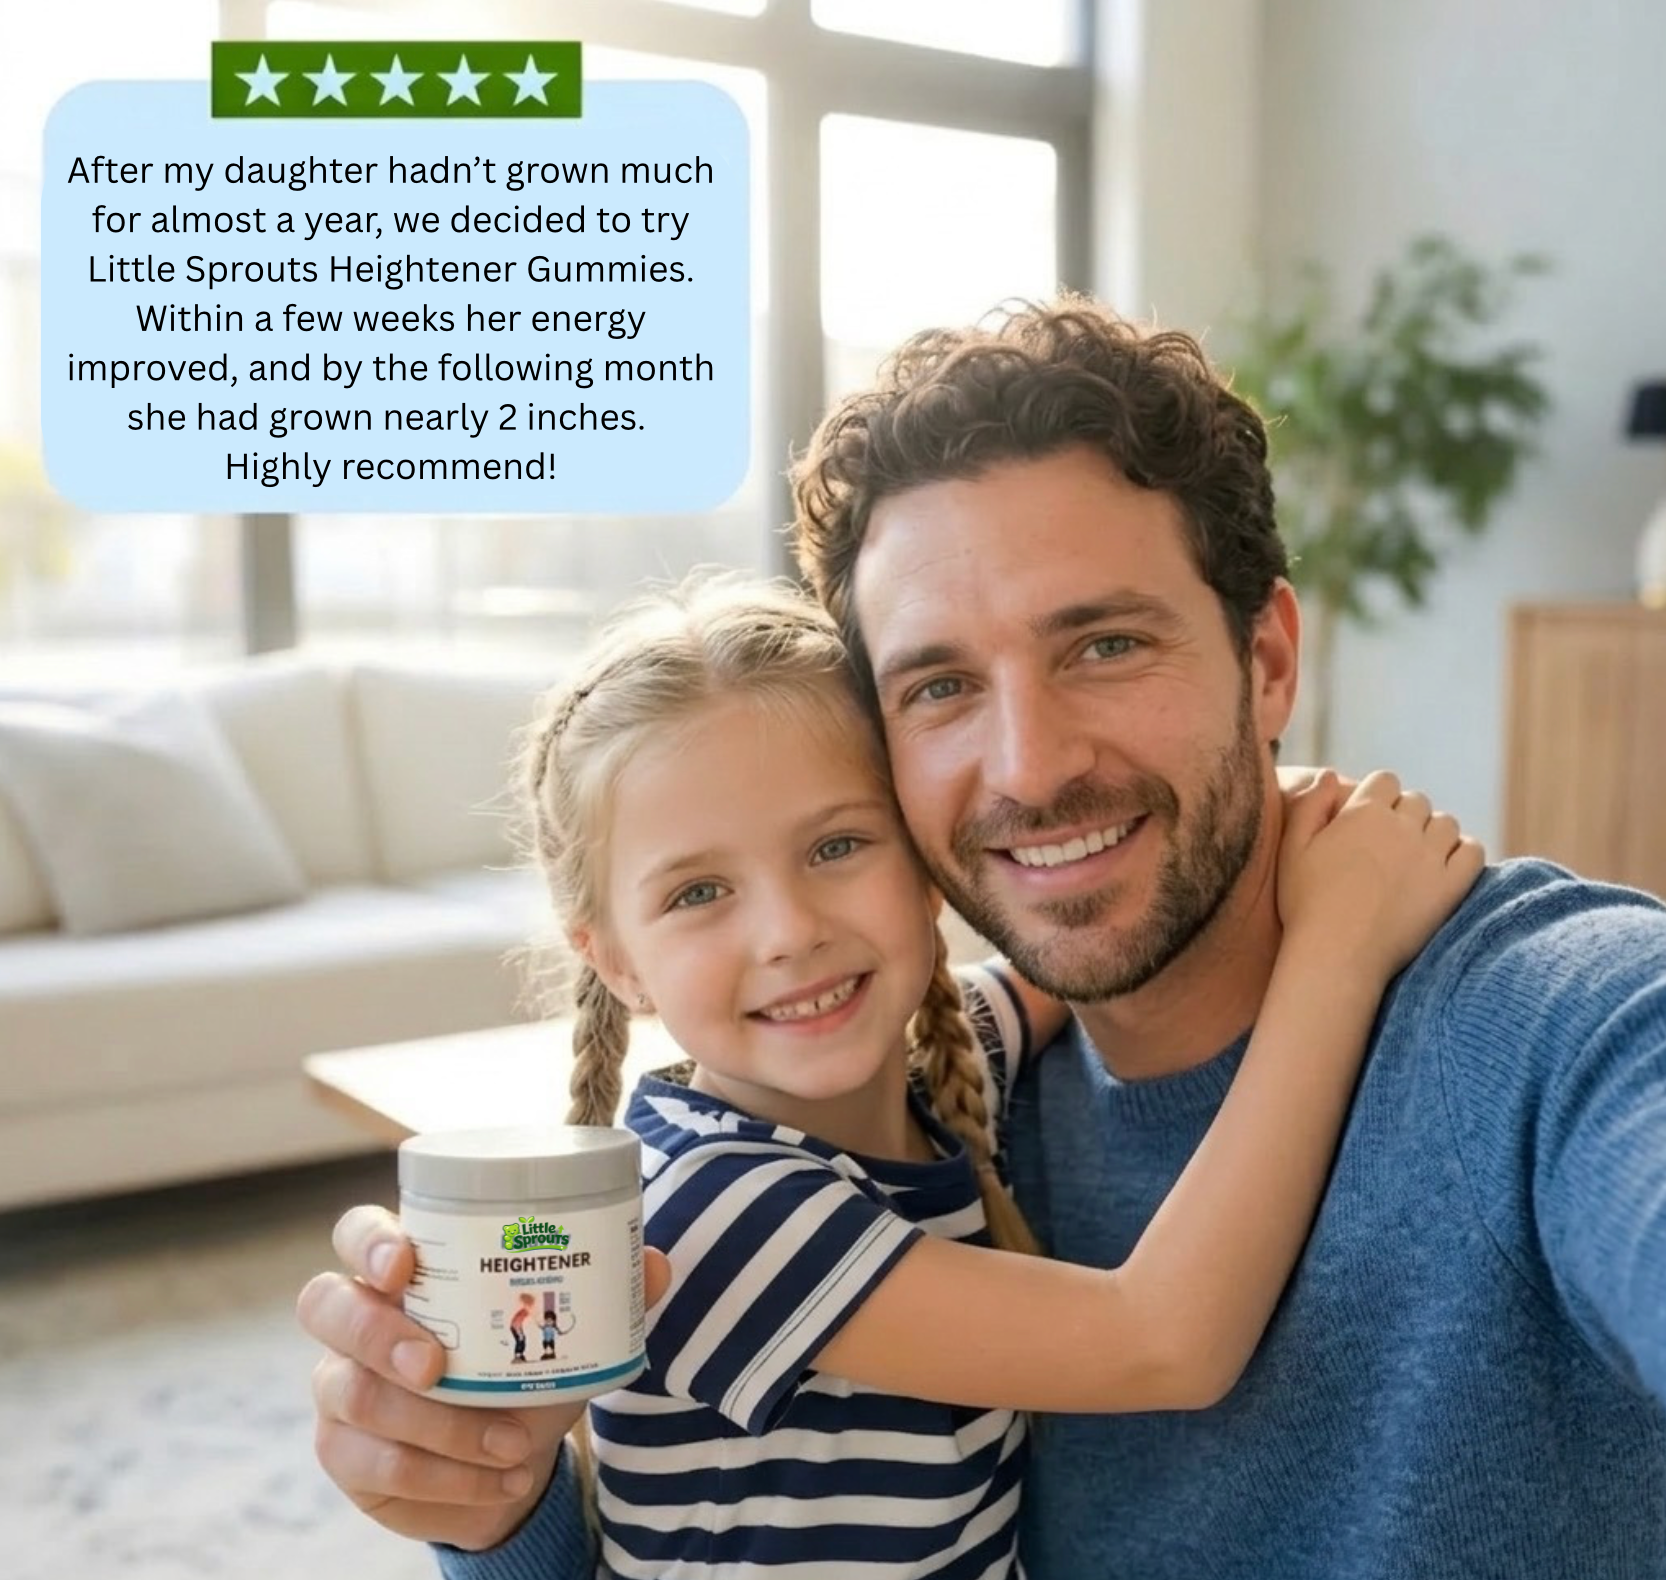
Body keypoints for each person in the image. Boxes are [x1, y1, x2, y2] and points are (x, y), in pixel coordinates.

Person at [302, 296, 1666, 1577]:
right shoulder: (892, 1121)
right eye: (943, 684)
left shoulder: (1561, 1021)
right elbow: (1153, 1340)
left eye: (1105, 646)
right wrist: (497, 1505)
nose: (1029, 766)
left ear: (1265, 664)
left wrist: (1322, 866)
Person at [300, 570, 1476, 1580]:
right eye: (698, 892)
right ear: (613, 957)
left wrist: (1263, 799)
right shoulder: (712, 1210)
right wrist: (1342, 946)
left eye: (836, 845)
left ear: (927, 856)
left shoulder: (940, 1063)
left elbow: (1096, 928)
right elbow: (1161, 1338)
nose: (788, 930)